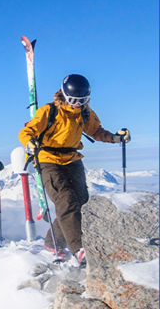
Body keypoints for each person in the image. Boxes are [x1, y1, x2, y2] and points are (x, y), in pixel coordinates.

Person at [18, 74, 131, 267]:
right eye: (73, 101)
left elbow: (96, 131)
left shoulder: (85, 113)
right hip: (48, 159)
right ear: (63, 96)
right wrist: (29, 142)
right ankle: (79, 249)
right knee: (66, 200)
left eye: (82, 101)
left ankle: (53, 244)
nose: (77, 104)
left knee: (81, 202)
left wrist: (115, 138)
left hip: (72, 159)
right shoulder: (49, 111)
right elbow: (26, 131)